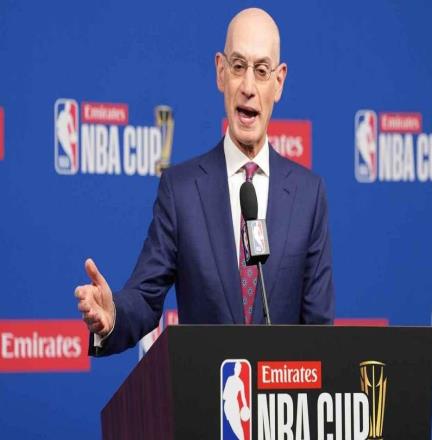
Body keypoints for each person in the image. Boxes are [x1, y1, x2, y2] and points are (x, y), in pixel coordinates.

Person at [74, 7, 334, 356]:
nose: (248, 87)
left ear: (279, 82)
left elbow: (320, 332)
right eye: (238, 67)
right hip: (206, 388)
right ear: (220, 72)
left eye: (261, 71)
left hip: (284, 389)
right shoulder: (181, 190)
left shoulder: (308, 195)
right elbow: (145, 296)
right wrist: (113, 316)